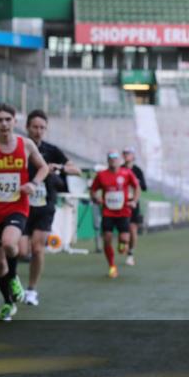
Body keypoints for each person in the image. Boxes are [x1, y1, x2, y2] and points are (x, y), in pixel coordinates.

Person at [0, 103, 49, 321]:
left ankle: (14, 278)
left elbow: (44, 168)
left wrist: (33, 183)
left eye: (8, 119)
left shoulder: (26, 144)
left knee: (9, 244)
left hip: (17, 206)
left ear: (15, 121)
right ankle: (8, 302)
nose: (4, 124)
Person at [19, 109, 81, 306]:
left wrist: (59, 167)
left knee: (38, 249)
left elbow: (76, 169)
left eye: (42, 128)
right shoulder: (18, 147)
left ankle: (31, 290)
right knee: (20, 251)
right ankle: (14, 284)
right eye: (35, 127)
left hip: (44, 206)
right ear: (27, 127)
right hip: (20, 205)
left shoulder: (51, 150)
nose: (38, 131)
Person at [90, 151, 141, 279]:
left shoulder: (127, 173)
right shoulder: (101, 175)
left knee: (124, 240)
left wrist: (134, 200)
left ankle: (122, 244)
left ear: (119, 160)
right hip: (107, 212)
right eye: (111, 158)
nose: (113, 160)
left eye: (115, 158)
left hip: (123, 211)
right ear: (107, 160)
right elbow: (93, 189)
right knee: (107, 239)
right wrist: (96, 199)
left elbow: (137, 187)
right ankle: (112, 266)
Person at [122, 147, 147, 266]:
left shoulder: (137, 171)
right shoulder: (119, 169)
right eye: (125, 153)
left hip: (133, 203)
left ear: (133, 156)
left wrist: (136, 182)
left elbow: (144, 187)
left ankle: (131, 254)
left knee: (132, 230)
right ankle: (123, 244)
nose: (126, 155)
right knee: (122, 230)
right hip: (120, 204)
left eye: (128, 153)